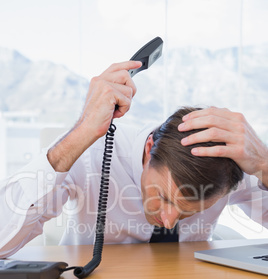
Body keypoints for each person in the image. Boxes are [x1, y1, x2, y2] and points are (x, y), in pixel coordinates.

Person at [0, 61, 267, 258]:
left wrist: (265, 165)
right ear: (149, 148)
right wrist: (80, 134)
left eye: (190, 211)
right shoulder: (93, 152)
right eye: (163, 197)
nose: (170, 221)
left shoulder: (226, 168)